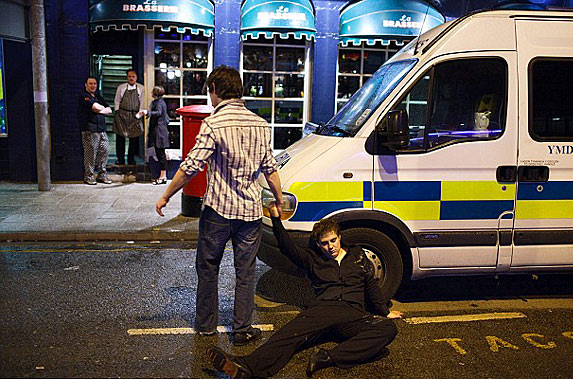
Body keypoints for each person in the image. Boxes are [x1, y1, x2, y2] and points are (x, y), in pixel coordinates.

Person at [155, 65, 283, 345]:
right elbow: (270, 169)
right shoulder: (261, 125)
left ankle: (206, 326)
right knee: (245, 272)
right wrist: (279, 197)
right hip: (249, 213)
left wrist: (166, 195)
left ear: (215, 90)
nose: (209, 97)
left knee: (208, 268)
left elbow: (190, 167)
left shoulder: (213, 124)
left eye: (209, 91)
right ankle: (241, 329)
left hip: (217, 212)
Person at [206, 203, 404, 378]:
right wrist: (276, 219)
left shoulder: (357, 256)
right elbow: (287, 248)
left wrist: (385, 312)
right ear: (318, 244)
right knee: (288, 336)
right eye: (325, 243)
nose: (330, 247)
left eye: (333, 240)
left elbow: (370, 284)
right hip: (324, 310)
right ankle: (247, 367)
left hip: (353, 314)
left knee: (386, 329)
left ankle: (329, 357)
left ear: (339, 237)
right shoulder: (313, 259)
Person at [78, 76, 112, 185]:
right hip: (90, 130)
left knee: (104, 152)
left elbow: (109, 109)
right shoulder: (84, 96)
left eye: (94, 84)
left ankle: (102, 175)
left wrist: (99, 110)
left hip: (102, 129)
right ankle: (89, 176)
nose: (93, 86)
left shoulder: (98, 96)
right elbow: (94, 106)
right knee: (90, 154)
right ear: (86, 85)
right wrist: (99, 109)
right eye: (91, 84)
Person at [114, 69, 144, 165]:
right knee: (120, 138)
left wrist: (139, 114)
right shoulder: (121, 87)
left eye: (133, 76)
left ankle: (131, 159)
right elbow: (117, 100)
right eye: (129, 76)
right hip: (122, 115)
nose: (131, 78)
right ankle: (120, 159)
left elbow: (142, 102)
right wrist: (117, 112)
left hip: (135, 116)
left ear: (136, 78)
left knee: (134, 138)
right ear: (127, 77)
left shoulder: (141, 88)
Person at [146, 86, 170, 185]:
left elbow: (159, 113)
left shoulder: (159, 103)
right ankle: (162, 175)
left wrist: (148, 112)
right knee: (160, 154)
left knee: (161, 155)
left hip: (159, 132)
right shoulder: (160, 102)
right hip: (159, 131)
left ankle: (163, 176)